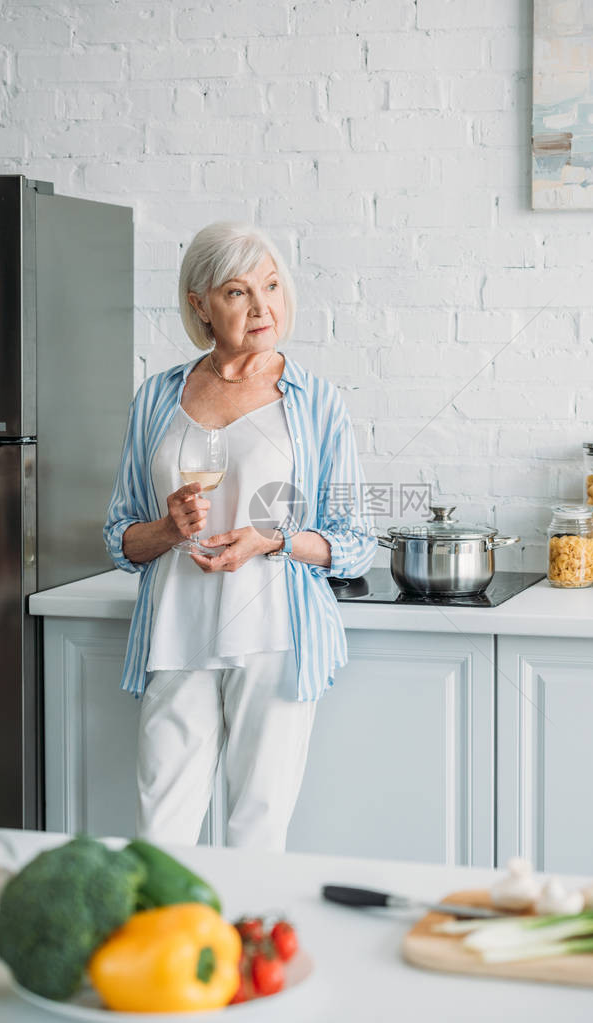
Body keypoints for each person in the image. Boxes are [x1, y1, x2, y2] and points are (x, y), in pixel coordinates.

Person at [103, 222, 377, 850]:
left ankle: (246, 947)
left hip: (274, 634)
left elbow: (356, 541)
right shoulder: (157, 398)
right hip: (177, 631)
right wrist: (169, 529)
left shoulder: (315, 402)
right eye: (237, 292)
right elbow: (120, 538)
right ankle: (171, 945)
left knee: (257, 829)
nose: (263, 308)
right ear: (199, 303)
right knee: (159, 832)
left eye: (272, 285)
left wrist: (271, 539)